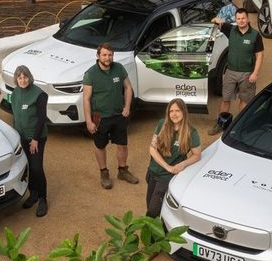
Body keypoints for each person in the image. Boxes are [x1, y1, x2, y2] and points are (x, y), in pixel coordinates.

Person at [82, 42, 138, 190]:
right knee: (100, 146)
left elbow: (128, 88)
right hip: (99, 118)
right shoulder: (90, 74)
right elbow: (86, 99)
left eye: (110, 55)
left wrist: (127, 106)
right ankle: (104, 173)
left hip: (118, 115)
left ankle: (122, 171)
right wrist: (88, 121)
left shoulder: (119, 68)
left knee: (122, 144)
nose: (108, 58)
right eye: (105, 55)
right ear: (98, 56)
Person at [209, 7, 264, 135]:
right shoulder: (230, 29)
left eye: (243, 18)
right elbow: (214, 20)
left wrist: (255, 73)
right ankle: (221, 124)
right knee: (226, 98)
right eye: (238, 18)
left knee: (244, 100)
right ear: (235, 20)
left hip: (247, 74)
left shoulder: (255, 35)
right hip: (230, 72)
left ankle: (240, 126)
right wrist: (219, 19)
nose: (241, 21)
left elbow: (260, 55)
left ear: (248, 19)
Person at [145, 98, 202, 218]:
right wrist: (167, 166)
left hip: (166, 178)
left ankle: (154, 236)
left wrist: (182, 164)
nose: (174, 114)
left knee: (152, 212)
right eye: (171, 111)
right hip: (153, 172)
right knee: (150, 205)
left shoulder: (191, 132)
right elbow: (152, 148)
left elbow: (197, 155)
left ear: (184, 112)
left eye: (177, 110)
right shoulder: (162, 124)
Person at [10, 64, 49, 217]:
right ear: (16, 79)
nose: (23, 80)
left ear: (29, 77)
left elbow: (41, 119)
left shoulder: (39, 95)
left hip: (36, 138)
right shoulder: (15, 93)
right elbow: (15, 115)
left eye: (25, 77)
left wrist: (35, 139)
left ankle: (43, 199)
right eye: (19, 77)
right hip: (22, 137)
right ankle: (33, 194)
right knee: (27, 167)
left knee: (37, 168)